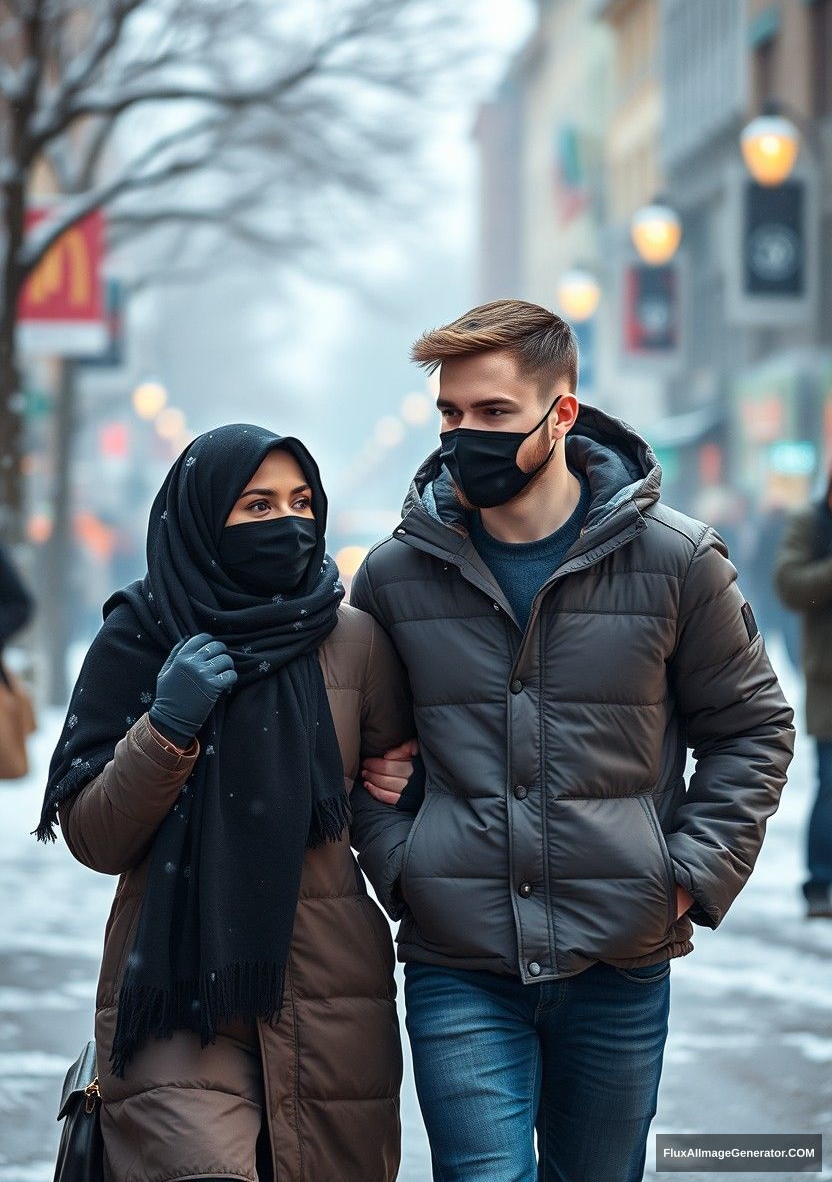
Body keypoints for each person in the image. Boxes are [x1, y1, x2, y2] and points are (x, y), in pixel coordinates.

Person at [349, 300, 795, 1182]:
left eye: (493, 413)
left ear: (561, 416)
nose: (462, 435)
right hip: (459, 960)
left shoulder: (677, 562)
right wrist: (404, 866)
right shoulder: (396, 575)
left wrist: (686, 877)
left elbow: (752, 727)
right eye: (450, 413)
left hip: (619, 960)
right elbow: (363, 753)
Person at [36, 423, 417, 1182]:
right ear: (204, 520)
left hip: (330, 992)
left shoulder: (354, 642)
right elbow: (93, 835)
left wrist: (409, 793)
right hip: (176, 990)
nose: (288, 522)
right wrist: (167, 727)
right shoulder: (140, 637)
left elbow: (386, 808)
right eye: (256, 505)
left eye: (302, 501)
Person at [774, 469, 832, 918]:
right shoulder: (810, 523)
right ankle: (818, 882)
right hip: (830, 678)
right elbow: (790, 586)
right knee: (831, 785)